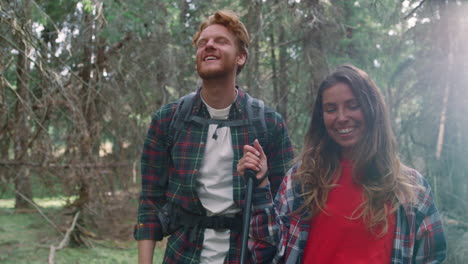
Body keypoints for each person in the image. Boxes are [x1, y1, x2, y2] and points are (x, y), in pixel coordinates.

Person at [238, 64, 447, 263]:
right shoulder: (301, 180)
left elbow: (432, 257)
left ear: (372, 109)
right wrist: (261, 186)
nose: (342, 117)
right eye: (330, 109)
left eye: (352, 105)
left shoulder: (410, 189)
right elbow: (268, 254)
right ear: (321, 117)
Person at [134, 10, 294, 264]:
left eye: (221, 41)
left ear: (241, 57)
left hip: (245, 256)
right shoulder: (168, 120)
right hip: (183, 255)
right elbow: (150, 202)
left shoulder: (268, 124)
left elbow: (285, 209)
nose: (208, 45)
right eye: (202, 43)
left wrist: (261, 182)